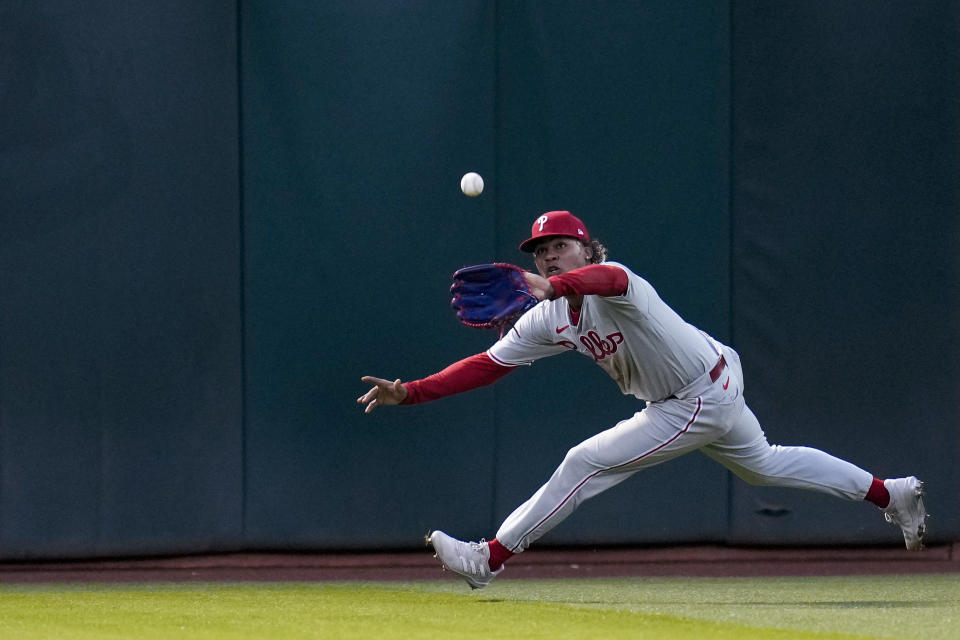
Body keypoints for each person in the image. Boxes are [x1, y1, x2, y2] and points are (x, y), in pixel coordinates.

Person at [357, 210, 927, 590]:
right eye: (541, 252)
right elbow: (486, 366)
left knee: (585, 462)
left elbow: (604, 282)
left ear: (586, 247)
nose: (550, 257)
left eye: (561, 246)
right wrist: (410, 392)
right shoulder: (549, 319)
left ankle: (490, 558)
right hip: (709, 382)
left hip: (695, 397)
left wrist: (551, 285)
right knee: (765, 465)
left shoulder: (616, 279)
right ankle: (890, 493)